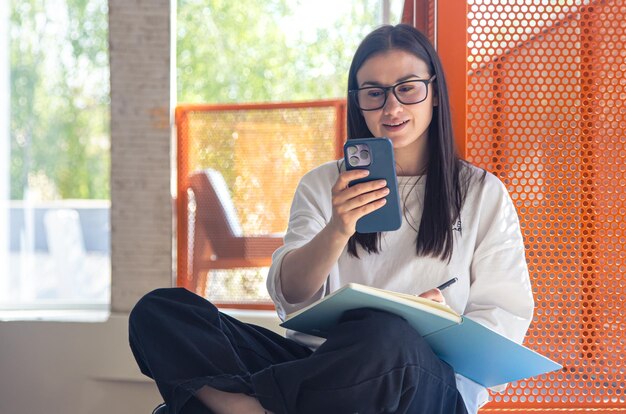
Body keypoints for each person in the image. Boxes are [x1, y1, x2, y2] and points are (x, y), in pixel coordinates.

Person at [129, 24, 534, 414]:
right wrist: (338, 228)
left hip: (421, 385)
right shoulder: (323, 184)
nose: (391, 107)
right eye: (374, 93)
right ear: (358, 100)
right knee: (162, 312)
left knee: (384, 334)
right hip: (318, 365)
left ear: (434, 94)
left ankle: (249, 407)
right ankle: (251, 408)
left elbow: (503, 321)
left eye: (407, 89)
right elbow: (291, 295)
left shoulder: (481, 193)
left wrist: (434, 325)